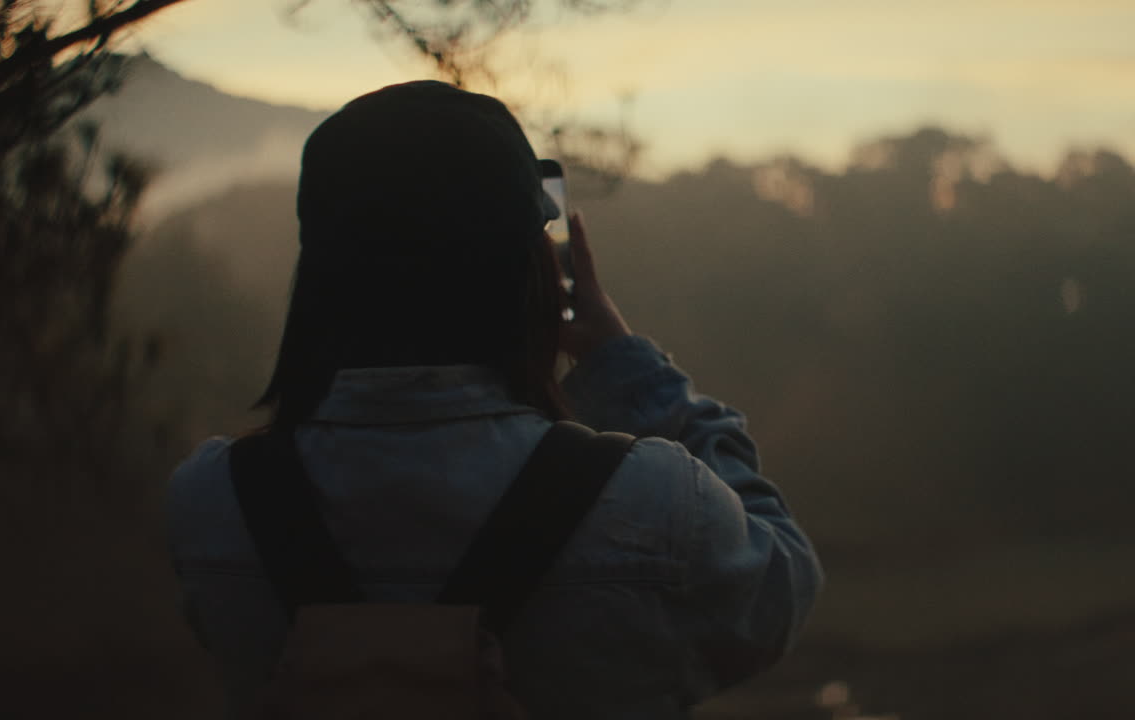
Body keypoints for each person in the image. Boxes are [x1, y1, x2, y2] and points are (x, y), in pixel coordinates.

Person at [165, 80, 823, 719]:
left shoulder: (213, 505)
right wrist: (626, 368)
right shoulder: (653, 506)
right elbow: (783, 584)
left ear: (320, 276)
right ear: (531, 270)